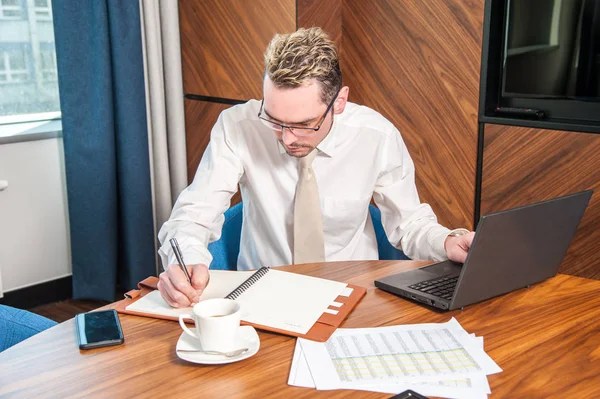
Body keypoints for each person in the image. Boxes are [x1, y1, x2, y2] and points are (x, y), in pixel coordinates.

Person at [157, 27, 475, 308]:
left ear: (339, 101)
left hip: (354, 296)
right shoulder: (238, 127)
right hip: (264, 297)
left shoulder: (376, 137)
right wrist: (184, 260)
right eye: (274, 120)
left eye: (304, 124)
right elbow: (195, 212)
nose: (286, 138)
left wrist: (447, 241)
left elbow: (409, 223)